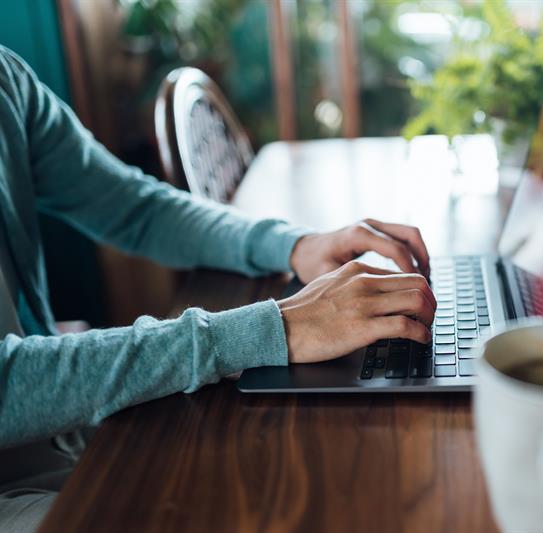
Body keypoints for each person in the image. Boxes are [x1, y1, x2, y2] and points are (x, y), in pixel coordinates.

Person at [0, 46, 435, 530]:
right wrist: (265, 331)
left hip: (66, 435)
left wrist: (293, 245)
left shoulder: (6, 79)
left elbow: (135, 209)